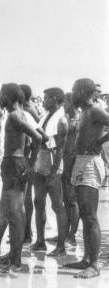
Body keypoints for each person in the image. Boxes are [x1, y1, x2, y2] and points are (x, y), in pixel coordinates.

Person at [0, 83, 42, 273]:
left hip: (15, 163)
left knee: (15, 213)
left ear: (10, 96)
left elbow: (38, 138)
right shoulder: (16, 114)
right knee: (7, 209)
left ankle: (16, 261)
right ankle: (12, 256)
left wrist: (30, 163)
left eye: (1, 93)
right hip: (11, 163)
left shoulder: (15, 115)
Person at [62, 78, 109, 279]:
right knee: (84, 214)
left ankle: (95, 265)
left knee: (90, 216)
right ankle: (87, 259)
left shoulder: (96, 109)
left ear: (82, 91)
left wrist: (99, 142)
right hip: (82, 162)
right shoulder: (85, 113)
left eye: (74, 90)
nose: (72, 93)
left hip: (90, 162)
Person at [30, 87, 68, 256]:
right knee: (38, 202)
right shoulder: (46, 116)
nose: (43, 101)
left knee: (57, 205)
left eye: (45, 98)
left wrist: (53, 172)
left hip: (53, 162)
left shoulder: (62, 120)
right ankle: (40, 241)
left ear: (54, 99)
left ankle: (61, 246)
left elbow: (60, 149)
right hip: (41, 158)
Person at [20, 84, 40, 244]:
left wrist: (31, 160)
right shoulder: (28, 108)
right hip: (28, 157)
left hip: (27, 158)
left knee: (26, 197)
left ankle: (27, 233)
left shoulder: (27, 110)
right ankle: (26, 232)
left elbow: (38, 135)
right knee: (25, 197)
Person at [60, 92, 80, 246]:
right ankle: (65, 232)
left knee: (72, 200)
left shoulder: (78, 118)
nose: (63, 105)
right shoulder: (67, 117)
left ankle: (72, 234)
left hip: (73, 160)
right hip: (64, 160)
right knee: (65, 199)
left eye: (66, 103)